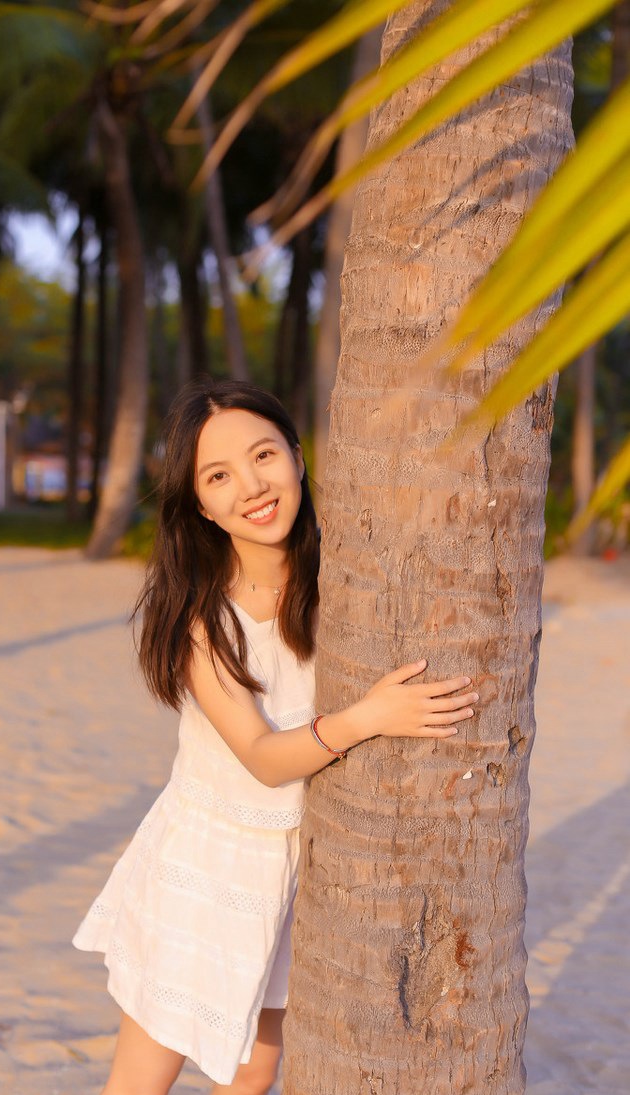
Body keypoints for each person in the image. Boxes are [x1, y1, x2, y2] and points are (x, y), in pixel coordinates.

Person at [72, 377, 478, 1095]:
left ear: (296, 455)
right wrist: (365, 720)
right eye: (219, 475)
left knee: (256, 1070)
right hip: (207, 862)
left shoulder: (348, 584)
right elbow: (262, 757)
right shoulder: (205, 620)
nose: (251, 486)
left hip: (297, 869)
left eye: (264, 455)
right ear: (199, 502)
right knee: (143, 1074)